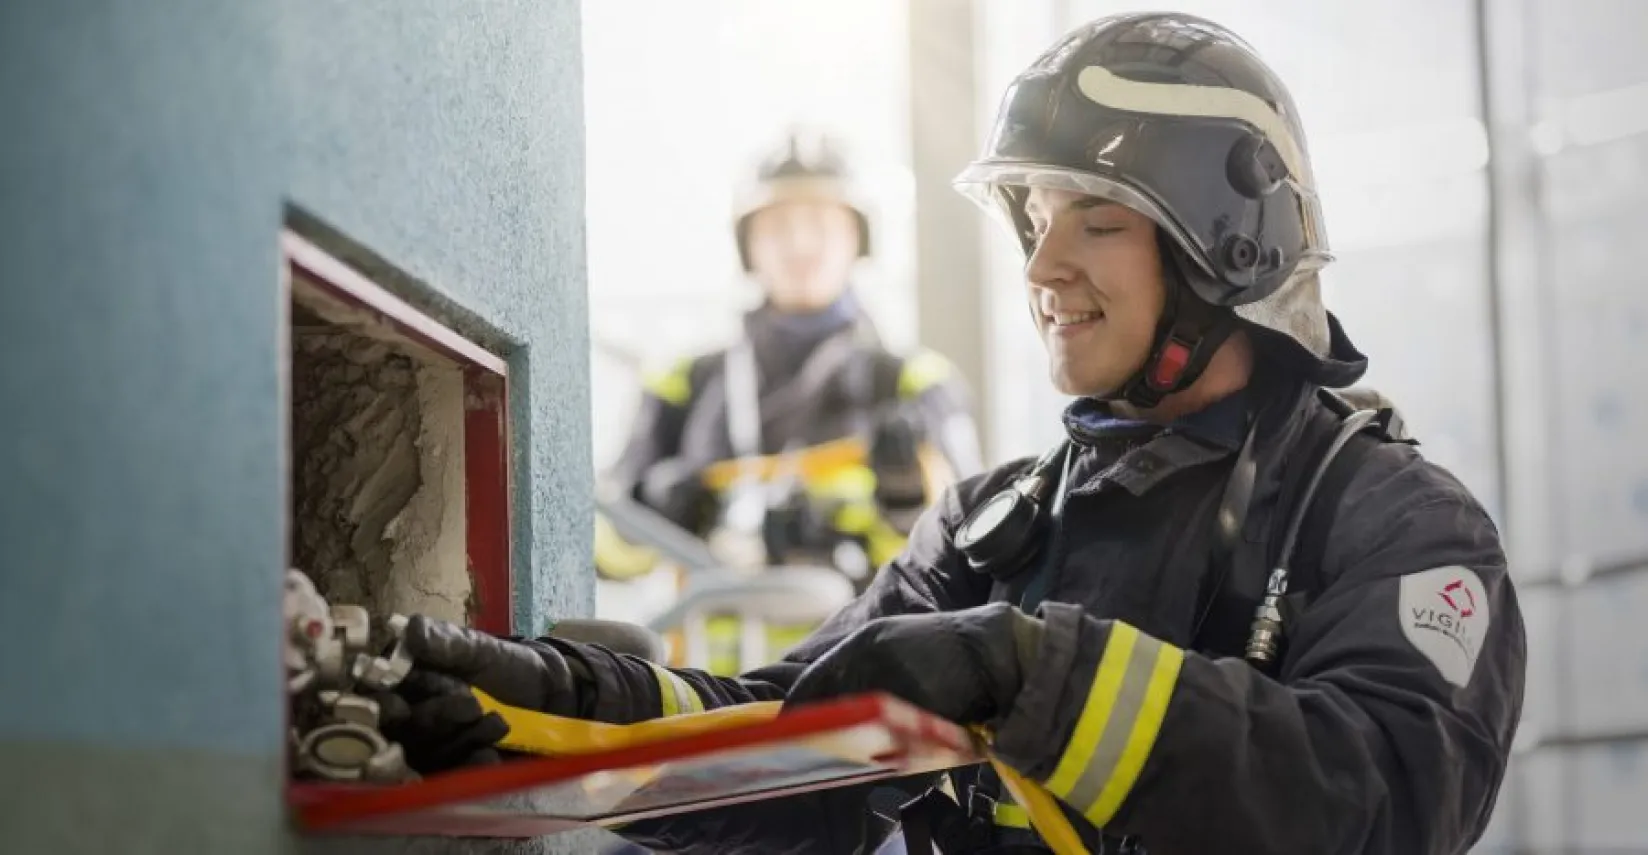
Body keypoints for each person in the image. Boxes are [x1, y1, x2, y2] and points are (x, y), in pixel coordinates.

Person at [389, 13, 1525, 854]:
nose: (1039, 266)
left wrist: (1025, 672)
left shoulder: (1390, 523)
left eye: (1094, 218)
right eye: (1032, 221)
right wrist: (573, 711)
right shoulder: (998, 530)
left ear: (1229, 242)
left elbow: (1387, 798)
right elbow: (796, 739)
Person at [598, 129, 984, 600]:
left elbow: (971, 557)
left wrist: (903, 506)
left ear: (857, 240)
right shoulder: (684, 385)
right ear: (748, 245)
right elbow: (600, 555)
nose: (801, 244)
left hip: (868, 664)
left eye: (821, 223)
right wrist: (650, 511)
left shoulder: (915, 385)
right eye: (779, 225)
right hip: (708, 670)